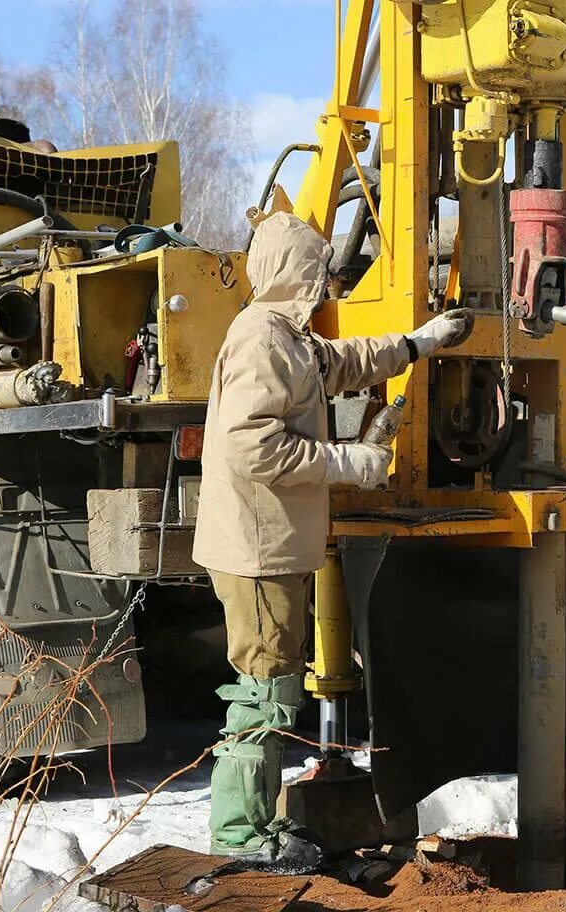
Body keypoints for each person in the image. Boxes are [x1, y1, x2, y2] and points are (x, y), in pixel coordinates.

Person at [192, 209, 468, 868]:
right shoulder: (260, 340)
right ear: (294, 274)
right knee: (264, 689)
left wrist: (416, 344)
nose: (325, 286)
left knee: (272, 683)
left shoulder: (287, 336)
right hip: (256, 548)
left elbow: (340, 363)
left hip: (272, 542)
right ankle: (239, 834)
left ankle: (252, 825)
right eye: (317, 274)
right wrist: (350, 462)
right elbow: (251, 447)